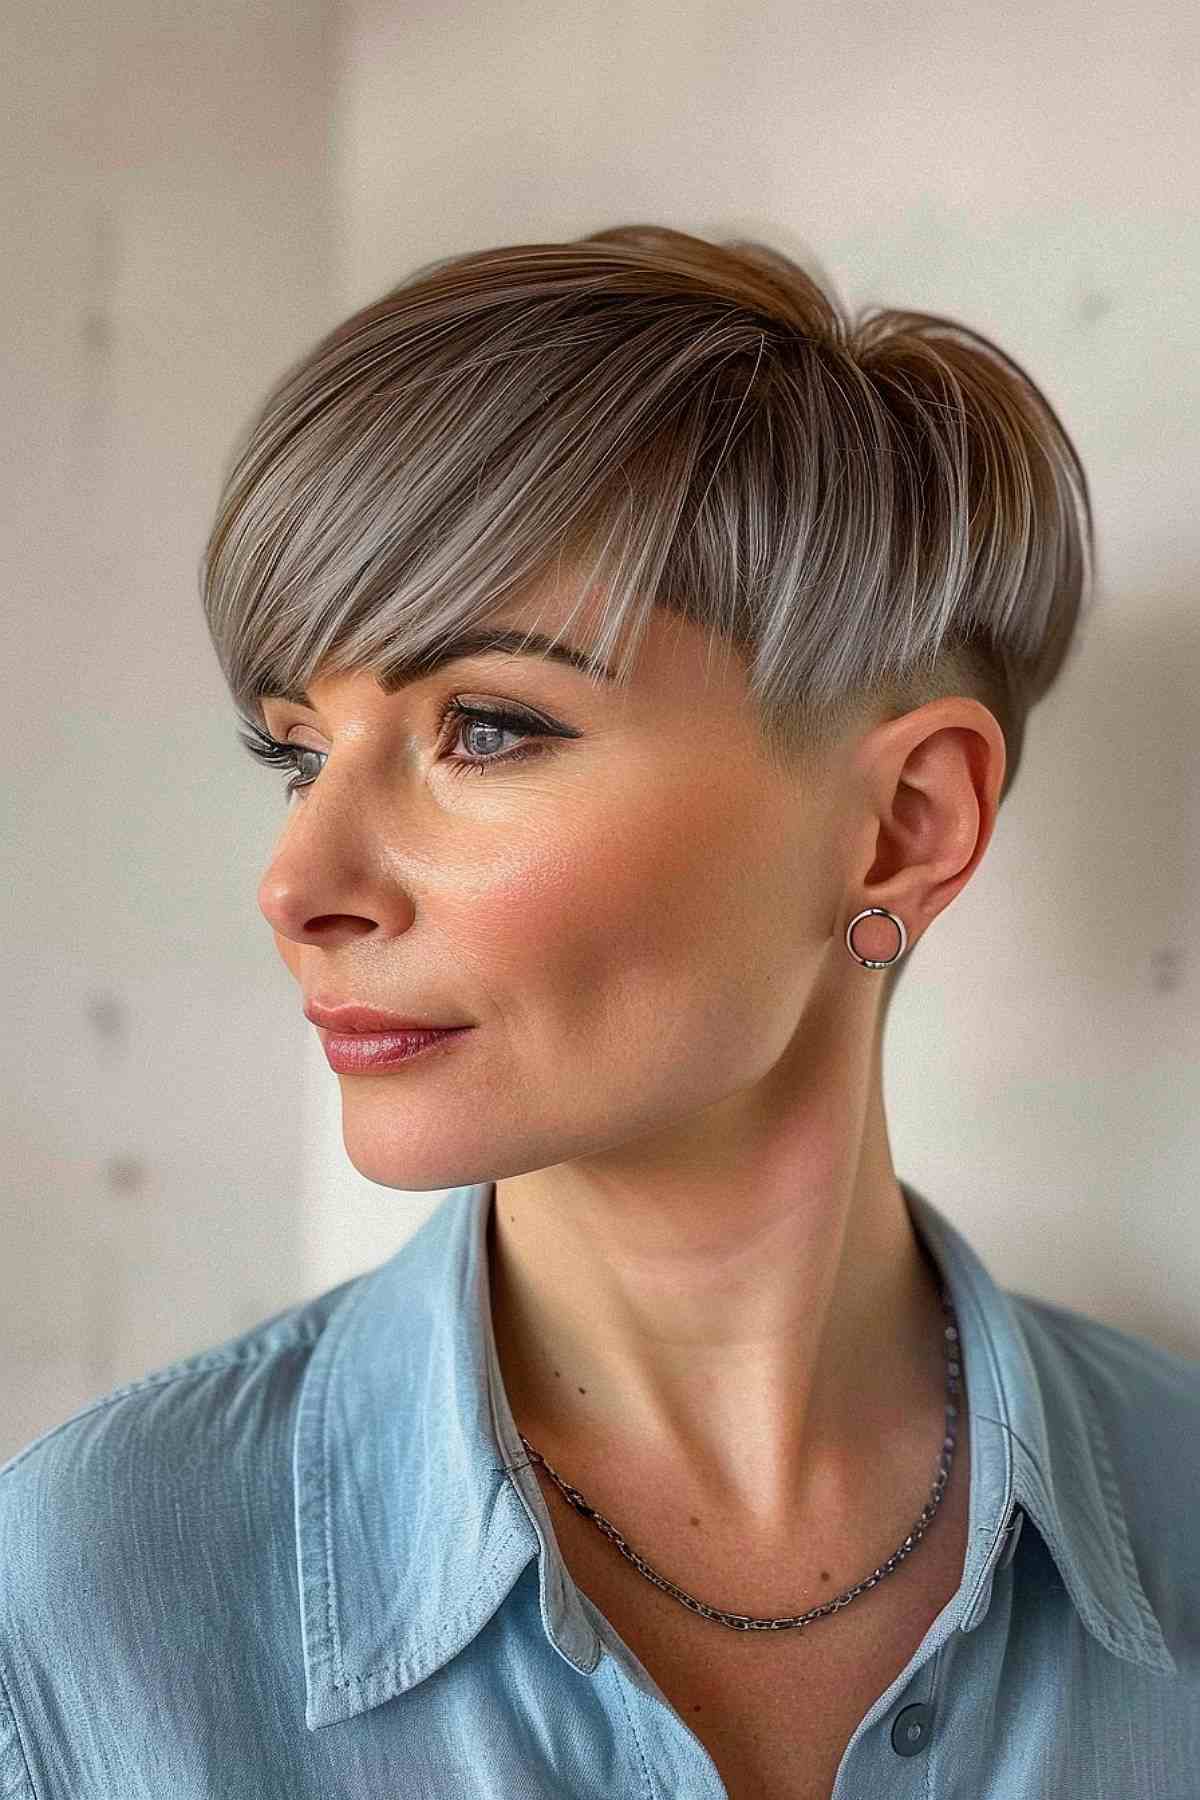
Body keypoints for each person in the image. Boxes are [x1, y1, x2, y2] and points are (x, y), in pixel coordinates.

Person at [1, 224, 1196, 1799]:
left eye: (485, 728)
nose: (302, 882)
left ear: (903, 823)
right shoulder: (84, 1594)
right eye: (298, 749)